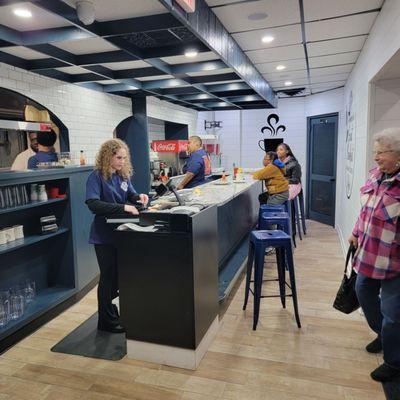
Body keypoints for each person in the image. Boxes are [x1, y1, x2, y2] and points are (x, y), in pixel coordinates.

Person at [348, 128, 400, 382]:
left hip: (395, 260)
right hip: (369, 251)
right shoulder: (376, 176)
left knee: (393, 313)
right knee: (363, 291)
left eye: (381, 152)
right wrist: (356, 232)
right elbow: (365, 210)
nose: (376, 157)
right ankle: (383, 334)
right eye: (375, 152)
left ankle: (394, 361)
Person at [85, 139, 149, 333]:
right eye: (118, 157)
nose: (122, 161)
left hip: (121, 234)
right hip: (103, 236)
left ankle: (114, 314)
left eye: (124, 158)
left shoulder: (122, 177)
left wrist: (140, 197)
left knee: (119, 277)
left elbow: (131, 195)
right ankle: (106, 321)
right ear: (108, 156)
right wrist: (123, 207)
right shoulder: (96, 177)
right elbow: (93, 204)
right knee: (108, 277)